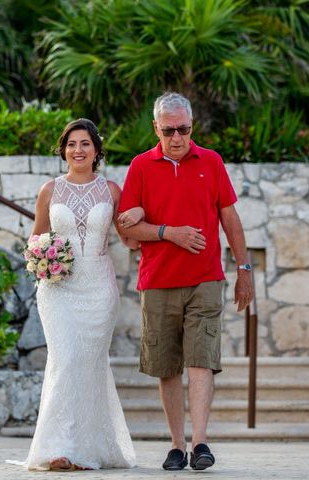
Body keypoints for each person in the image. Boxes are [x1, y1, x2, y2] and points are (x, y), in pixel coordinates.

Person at [117, 92, 254, 471]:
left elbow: (230, 220)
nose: (177, 138)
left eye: (184, 129)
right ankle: (176, 445)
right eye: (169, 130)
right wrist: (168, 232)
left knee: (201, 361)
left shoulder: (210, 161)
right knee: (166, 366)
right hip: (158, 281)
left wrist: (244, 271)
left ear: (192, 126)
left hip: (206, 279)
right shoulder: (141, 166)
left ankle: (200, 443)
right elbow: (127, 226)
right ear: (155, 128)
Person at [22, 118, 136, 471]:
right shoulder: (50, 191)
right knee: (66, 359)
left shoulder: (112, 191)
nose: (78, 150)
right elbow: (36, 239)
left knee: (88, 363)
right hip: (58, 289)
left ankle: (86, 448)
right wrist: (44, 260)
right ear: (63, 149)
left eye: (85, 143)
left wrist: (145, 217)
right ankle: (58, 448)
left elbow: (129, 238)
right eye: (72, 144)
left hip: (99, 289)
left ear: (96, 150)